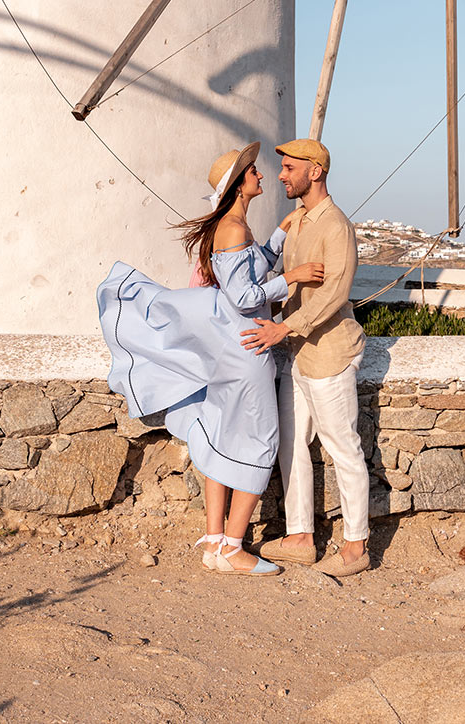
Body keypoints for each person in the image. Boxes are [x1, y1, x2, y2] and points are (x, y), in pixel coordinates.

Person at [95, 142, 324, 576]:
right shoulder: (234, 229)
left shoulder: (234, 225)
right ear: (240, 184)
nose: (263, 175)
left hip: (232, 349)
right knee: (261, 441)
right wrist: (291, 277)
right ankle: (234, 550)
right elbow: (243, 295)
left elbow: (249, 270)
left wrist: (279, 232)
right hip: (248, 348)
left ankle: (216, 543)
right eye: (254, 171)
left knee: (222, 435)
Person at [241, 139, 370, 577]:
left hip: (329, 354)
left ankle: (356, 546)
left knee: (343, 448)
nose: (280, 175)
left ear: (315, 171)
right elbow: (281, 280)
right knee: (291, 444)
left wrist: (283, 328)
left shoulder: (336, 226)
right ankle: (300, 537)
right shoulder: (297, 221)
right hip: (295, 355)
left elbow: (335, 293)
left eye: (289, 167)